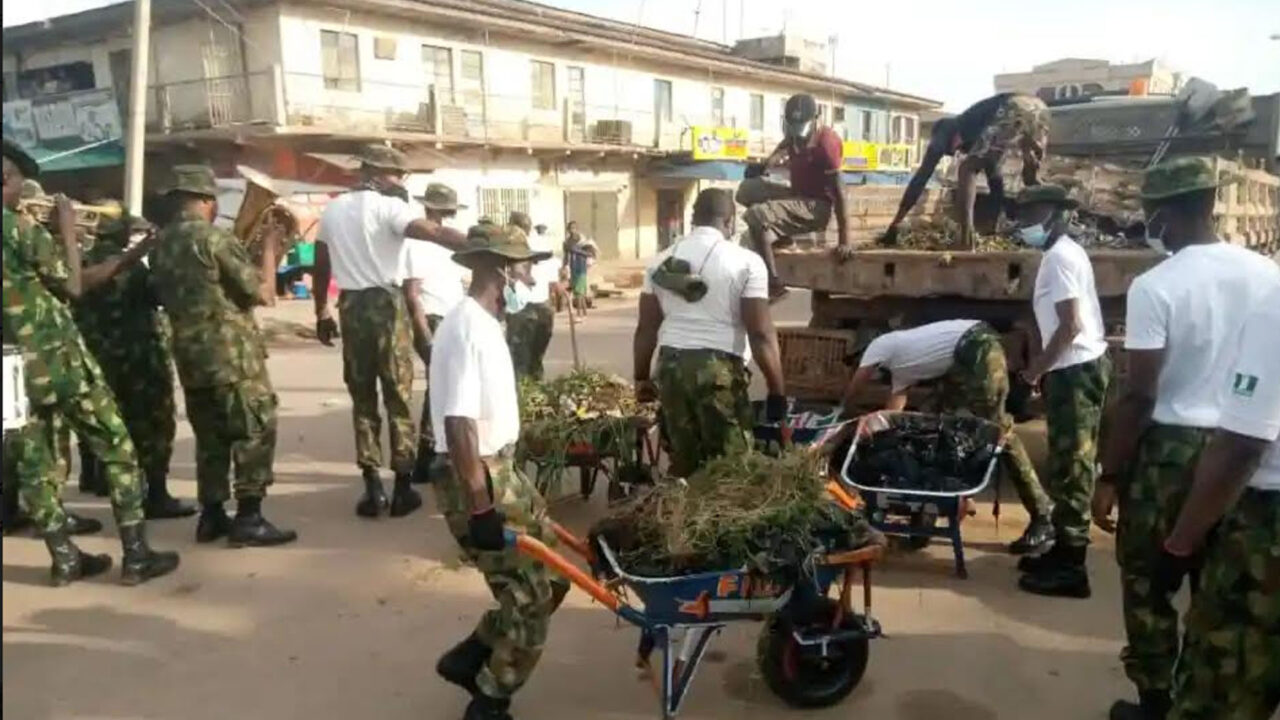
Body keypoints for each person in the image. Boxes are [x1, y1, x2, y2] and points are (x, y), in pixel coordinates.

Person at [1091, 156, 1280, 720]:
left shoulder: (1155, 286)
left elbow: (1139, 394)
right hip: (1241, 456)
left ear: (1166, 214)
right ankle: (1198, 684)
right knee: (1217, 583)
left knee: (1148, 578)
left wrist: (1109, 474)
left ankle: (1155, 699)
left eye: (1150, 214)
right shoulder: (1267, 275)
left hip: (1171, 452)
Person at [1, 139, 179, 586]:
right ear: (6, 179)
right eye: (19, 180)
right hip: (54, 357)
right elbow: (74, 286)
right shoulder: (18, 229)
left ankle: (64, 559)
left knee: (33, 464)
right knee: (116, 446)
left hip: (6, 374)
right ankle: (136, 554)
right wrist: (65, 231)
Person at [429, 223, 570, 720]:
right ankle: (489, 703)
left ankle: (472, 655)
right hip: (478, 472)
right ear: (500, 269)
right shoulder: (467, 327)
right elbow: (458, 421)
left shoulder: (487, 322)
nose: (529, 274)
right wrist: (480, 506)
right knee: (530, 599)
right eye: (524, 265)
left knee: (554, 578)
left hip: (500, 465)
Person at [313, 144, 466, 518]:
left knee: (363, 399)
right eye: (397, 174)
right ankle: (402, 488)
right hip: (386, 305)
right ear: (377, 173)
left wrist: (321, 310)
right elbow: (429, 230)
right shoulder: (390, 207)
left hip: (351, 307)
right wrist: (477, 242)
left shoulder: (333, 209)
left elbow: (321, 265)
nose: (400, 181)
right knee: (398, 396)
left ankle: (372, 489)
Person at [149, 165, 297, 548]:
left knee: (211, 437)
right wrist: (269, 250)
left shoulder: (161, 244)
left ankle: (211, 515)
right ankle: (249, 517)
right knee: (254, 429)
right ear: (205, 200)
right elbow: (262, 293)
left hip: (190, 357)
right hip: (231, 355)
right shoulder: (213, 239)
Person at [1158, 286, 1280, 720]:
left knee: (1221, 688)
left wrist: (1181, 541)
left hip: (1266, 524)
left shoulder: (1274, 307)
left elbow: (1242, 446)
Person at [841, 319, 1054, 555]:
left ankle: (1043, 515)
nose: (859, 365)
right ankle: (924, 521)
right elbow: (894, 412)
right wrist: (881, 431)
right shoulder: (901, 368)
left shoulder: (880, 343)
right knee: (929, 425)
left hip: (977, 347)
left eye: (857, 360)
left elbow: (859, 380)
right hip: (961, 360)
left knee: (1000, 432)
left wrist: (842, 411)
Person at [634, 188, 787, 478]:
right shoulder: (747, 262)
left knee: (684, 462)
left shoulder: (660, 261)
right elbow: (760, 333)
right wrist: (776, 390)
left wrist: (641, 378)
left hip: (670, 370)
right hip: (717, 373)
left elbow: (646, 328)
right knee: (731, 467)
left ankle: (679, 505)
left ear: (693, 218)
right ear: (730, 221)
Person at [1011, 185, 1111, 599]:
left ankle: (1072, 566)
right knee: (1065, 462)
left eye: (1031, 214)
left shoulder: (1060, 258)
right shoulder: (1062, 253)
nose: (1023, 223)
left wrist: (1031, 374)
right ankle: (1062, 550)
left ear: (1054, 215)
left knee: (1073, 466)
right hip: (1072, 369)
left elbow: (1070, 326)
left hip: (1076, 370)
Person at [71, 207, 195, 520]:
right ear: (121, 232)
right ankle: (156, 495)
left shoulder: (79, 260)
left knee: (104, 419)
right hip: (139, 357)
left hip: (98, 354)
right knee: (154, 423)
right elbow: (160, 296)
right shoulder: (131, 267)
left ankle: (95, 477)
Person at [882, 93, 1050, 249]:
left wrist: (895, 223)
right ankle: (1040, 221)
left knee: (967, 168)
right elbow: (994, 178)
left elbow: (922, 176)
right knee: (1022, 176)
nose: (959, 151)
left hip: (1014, 107)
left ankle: (965, 237)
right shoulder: (982, 126)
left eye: (954, 150)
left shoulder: (946, 129)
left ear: (951, 138)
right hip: (1039, 110)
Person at [743, 93, 851, 301]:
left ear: (815, 120)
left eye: (801, 126)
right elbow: (783, 146)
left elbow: (840, 191)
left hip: (817, 207)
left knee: (757, 215)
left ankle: (774, 284)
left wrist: (844, 239)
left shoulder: (826, 143)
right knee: (746, 190)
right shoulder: (793, 137)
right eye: (793, 126)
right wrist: (764, 165)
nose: (797, 133)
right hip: (797, 196)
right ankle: (780, 238)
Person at [401, 183, 470, 483]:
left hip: (450, 317)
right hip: (432, 318)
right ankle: (427, 457)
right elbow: (412, 293)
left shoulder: (448, 242)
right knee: (440, 388)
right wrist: (424, 333)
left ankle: (435, 454)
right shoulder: (416, 244)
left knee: (446, 387)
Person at [505, 211, 560, 380]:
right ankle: (536, 390)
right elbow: (553, 281)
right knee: (536, 359)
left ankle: (522, 393)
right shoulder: (544, 244)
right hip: (543, 306)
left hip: (520, 309)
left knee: (518, 362)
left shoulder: (510, 245)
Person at [561, 220, 594, 319]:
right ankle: (584, 313)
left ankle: (579, 314)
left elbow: (590, 253)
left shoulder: (582, 241)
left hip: (581, 267)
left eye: (574, 228)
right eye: (570, 228)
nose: (572, 230)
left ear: (577, 229)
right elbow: (566, 256)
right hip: (573, 268)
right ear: (568, 230)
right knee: (578, 292)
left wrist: (577, 251)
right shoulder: (567, 242)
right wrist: (563, 267)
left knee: (579, 292)